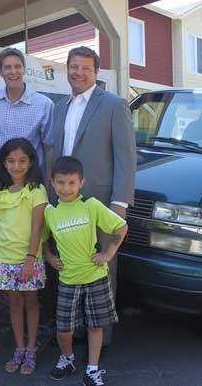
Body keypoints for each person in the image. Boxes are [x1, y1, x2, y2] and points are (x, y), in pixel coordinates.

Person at [51, 46, 136, 348]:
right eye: (74, 66)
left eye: (85, 67)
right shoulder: (59, 106)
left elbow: (126, 157)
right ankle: (72, 332)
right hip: (64, 203)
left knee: (100, 269)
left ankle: (102, 339)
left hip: (99, 203)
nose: (78, 72)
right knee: (70, 266)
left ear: (96, 72)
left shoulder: (114, 105)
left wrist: (120, 204)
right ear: (67, 69)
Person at [43, 156, 127, 386]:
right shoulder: (51, 213)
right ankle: (68, 358)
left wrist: (108, 254)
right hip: (68, 280)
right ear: (52, 182)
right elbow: (42, 241)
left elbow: (120, 226)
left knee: (95, 325)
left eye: (71, 183)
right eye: (60, 182)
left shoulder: (90, 205)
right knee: (63, 329)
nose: (66, 188)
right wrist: (50, 258)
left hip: (95, 276)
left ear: (81, 183)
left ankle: (92, 368)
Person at [0, 138, 47, 375]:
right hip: (5, 257)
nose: (16, 166)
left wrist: (30, 259)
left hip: (29, 258)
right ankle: (19, 347)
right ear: (3, 163)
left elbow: (37, 228)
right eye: (11, 161)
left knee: (31, 302)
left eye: (22, 161)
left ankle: (31, 348)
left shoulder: (36, 190)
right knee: (14, 303)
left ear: (31, 162)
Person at [0, 47, 53, 176]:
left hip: (30, 184)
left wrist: (49, 180)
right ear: (0, 71)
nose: (13, 72)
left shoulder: (44, 105)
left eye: (17, 66)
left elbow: (49, 147)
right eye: (7, 67)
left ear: (24, 69)